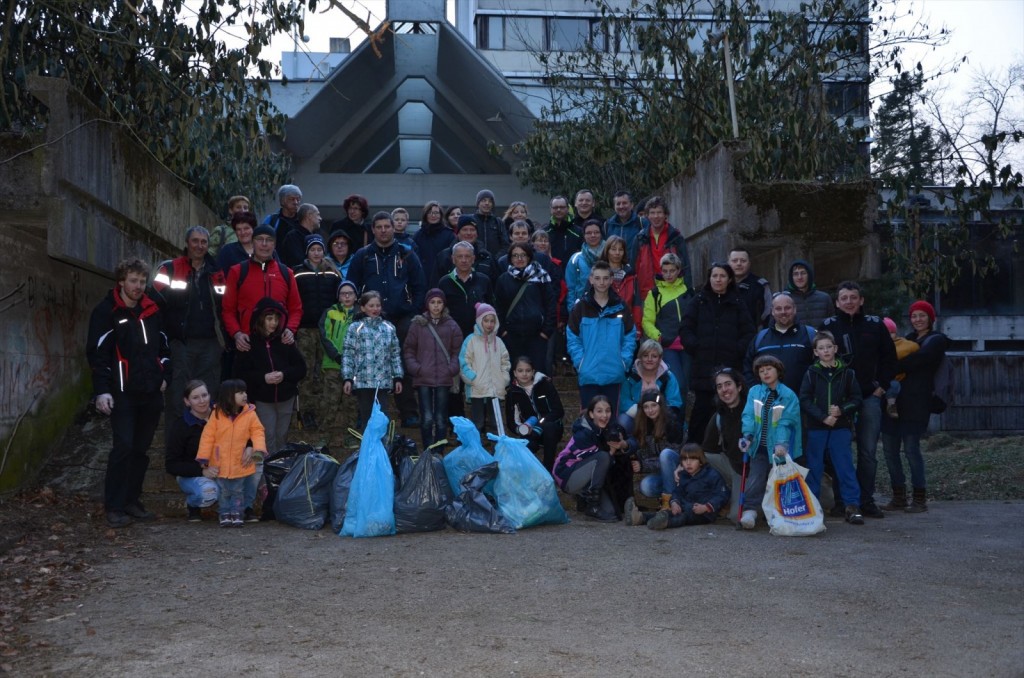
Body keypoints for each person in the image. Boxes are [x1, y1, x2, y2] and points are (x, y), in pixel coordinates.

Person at [86, 257, 171, 528]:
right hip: (121, 392)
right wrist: (102, 391)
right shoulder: (106, 311)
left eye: (141, 281)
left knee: (141, 450)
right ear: (121, 282)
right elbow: (97, 355)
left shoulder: (153, 310)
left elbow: (165, 349)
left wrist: (164, 376)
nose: (137, 286)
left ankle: (132, 501)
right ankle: (114, 505)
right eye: (132, 281)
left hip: (150, 391)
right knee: (122, 447)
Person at [820, 281, 897, 518]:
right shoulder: (828, 325)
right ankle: (843, 500)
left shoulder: (875, 325)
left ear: (861, 300)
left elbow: (890, 359)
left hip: (868, 398)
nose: (849, 302)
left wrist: (881, 387)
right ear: (837, 302)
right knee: (837, 452)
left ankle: (865, 499)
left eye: (853, 297)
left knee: (867, 452)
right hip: (838, 401)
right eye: (844, 298)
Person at [345, 210, 426, 427]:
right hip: (369, 320)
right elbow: (351, 286)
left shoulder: (407, 254)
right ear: (373, 230)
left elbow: (420, 286)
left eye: (387, 226)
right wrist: (359, 312)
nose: (383, 230)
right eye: (379, 227)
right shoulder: (362, 256)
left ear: (394, 228)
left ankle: (408, 411)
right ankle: (365, 413)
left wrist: (413, 310)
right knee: (366, 364)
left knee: (402, 363)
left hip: (402, 317)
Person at [880, 300, 949, 514]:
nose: (918, 319)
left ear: (930, 318)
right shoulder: (907, 340)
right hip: (894, 403)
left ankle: (919, 498)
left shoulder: (937, 340)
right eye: (914, 316)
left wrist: (894, 367)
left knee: (911, 450)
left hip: (917, 403)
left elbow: (921, 360)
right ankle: (898, 496)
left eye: (922, 315)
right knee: (890, 451)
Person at [152, 225, 226, 418]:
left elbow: (224, 305)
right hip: (179, 343)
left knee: (207, 398)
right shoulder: (169, 268)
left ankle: (205, 443)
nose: (199, 246)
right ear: (187, 243)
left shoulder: (217, 272)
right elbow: (153, 302)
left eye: (204, 242)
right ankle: (177, 445)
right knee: (178, 397)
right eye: (195, 241)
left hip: (210, 343)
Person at [681, 262, 756, 443]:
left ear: (729, 279)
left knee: (730, 413)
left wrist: (736, 350)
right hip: (703, 367)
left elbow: (749, 332)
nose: (718, 279)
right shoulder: (698, 301)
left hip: (729, 367)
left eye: (722, 276)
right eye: (714, 276)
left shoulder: (738, 303)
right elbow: (685, 329)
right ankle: (694, 455)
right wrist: (696, 346)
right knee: (700, 415)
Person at [799, 331, 865, 525]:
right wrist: (822, 417)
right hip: (816, 428)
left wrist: (841, 410)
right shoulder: (811, 373)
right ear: (815, 352)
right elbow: (804, 399)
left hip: (840, 428)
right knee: (814, 468)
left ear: (835, 349)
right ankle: (813, 507)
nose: (826, 351)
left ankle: (852, 506)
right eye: (821, 348)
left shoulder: (847, 373)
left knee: (844, 467)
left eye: (829, 347)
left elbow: (857, 399)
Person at [232, 298, 306, 460]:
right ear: (260, 319)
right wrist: (263, 378)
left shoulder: (285, 340)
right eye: (269, 319)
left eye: (276, 319)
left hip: (286, 397)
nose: (274, 323)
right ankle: (269, 469)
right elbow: (241, 374)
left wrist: (284, 375)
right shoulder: (249, 343)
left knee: (282, 435)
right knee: (267, 435)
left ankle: (281, 468)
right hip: (263, 399)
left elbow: (301, 369)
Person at [738, 354, 802, 530]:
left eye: (769, 369)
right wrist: (747, 435)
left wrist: (782, 443)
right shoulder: (754, 392)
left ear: (778, 371)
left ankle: (780, 511)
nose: (765, 373)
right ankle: (750, 510)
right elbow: (749, 415)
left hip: (780, 448)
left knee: (779, 480)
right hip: (759, 445)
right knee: (756, 478)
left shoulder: (788, 395)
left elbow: (787, 421)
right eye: (761, 371)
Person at [221, 223, 303, 354]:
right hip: (248, 343)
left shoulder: (286, 273)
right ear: (252, 243)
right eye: (259, 239)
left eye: (269, 240)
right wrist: (236, 334)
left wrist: (290, 329)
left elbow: (296, 308)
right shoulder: (237, 271)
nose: (264, 244)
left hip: (279, 342)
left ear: (274, 245)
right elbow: (227, 310)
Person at [195, 379, 266, 528]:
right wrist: (204, 459)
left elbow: (258, 432)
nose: (245, 395)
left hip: (240, 463)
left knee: (238, 491)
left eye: (245, 392)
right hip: (220, 462)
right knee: (223, 492)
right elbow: (207, 437)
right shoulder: (216, 415)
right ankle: (224, 513)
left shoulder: (250, 414)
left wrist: (257, 451)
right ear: (229, 396)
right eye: (240, 392)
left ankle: (237, 513)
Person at [567, 261, 637, 412]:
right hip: (589, 374)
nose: (602, 282)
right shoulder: (580, 307)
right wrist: (581, 362)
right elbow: (572, 337)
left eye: (605, 278)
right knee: (589, 422)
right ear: (591, 279)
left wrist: (624, 362)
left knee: (611, 421)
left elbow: (630, 336)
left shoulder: (621, 306)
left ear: (611, 280)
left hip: (614, 373)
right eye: (597, 278)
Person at [552, 395, 631, 522]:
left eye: (608, 411)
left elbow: (633, 442)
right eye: (599, 411)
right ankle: (592, 506)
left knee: (612, 514)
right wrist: (611, 451)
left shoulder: (606, 429)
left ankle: (587, 500)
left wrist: (624, 444)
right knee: (603, 457)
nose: (604, 415)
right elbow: (601, 460)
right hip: (566, 474)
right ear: (591, 414)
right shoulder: (583, 433)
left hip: (586, 476)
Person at [292, 234, 342, 431]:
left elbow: (341, 297)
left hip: (327, 330)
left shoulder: (332, 272)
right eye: (312, 249)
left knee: (323, 372)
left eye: (319, 249)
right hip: (305, 329)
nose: (316, 253)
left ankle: (323, 412)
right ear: (307, 252)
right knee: (305, 371)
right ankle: (307, 412)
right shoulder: (297, 273)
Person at [403, 289, 464, 450]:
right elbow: (409, 349)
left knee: (441, 418)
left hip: (444, 378)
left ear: (444, 304)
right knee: (427, 418)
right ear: (427, 304)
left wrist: (451, 369)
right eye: (432, 302)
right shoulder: (418, 325)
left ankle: (439, 451)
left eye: (439, 302)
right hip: (424, 377)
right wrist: (416, 368)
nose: (436, 306)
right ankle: (428, 450)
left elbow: (458, 351)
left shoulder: (451, 325)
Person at [625, 443, 729, 530]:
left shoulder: (711, 474)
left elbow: (722, 494)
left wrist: (706, 507)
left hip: (703, 513)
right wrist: (674, 502)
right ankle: (639, 517)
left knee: (683, 517)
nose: (688, 463)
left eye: (692, 459)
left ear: (701, 461)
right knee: (668, 512)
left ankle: (665, 523)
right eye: (685, 460)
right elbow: (677, 492)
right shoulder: (684, 475)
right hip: (685, 507)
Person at [342, 291, 403, 429]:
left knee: (382, 418)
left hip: (383, 381)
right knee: (366, 418)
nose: (375, 309)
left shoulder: (389, 328)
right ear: (363, 307)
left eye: (378, 305)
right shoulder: (354, 328)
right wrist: (348, 378)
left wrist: (397, 377)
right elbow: (348, 354)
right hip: (363, 382)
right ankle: (367, 448)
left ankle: (382, 448)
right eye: (371, 305)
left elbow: (395, 354)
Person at [641, 253, 694, 412]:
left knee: (686, 384)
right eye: (665, 271)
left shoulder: (688, 290)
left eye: (672, 270)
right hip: (668, 346)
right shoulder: (655, 293)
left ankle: (680, 419)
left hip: (688, 345)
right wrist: (659, 337)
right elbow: (647, 321)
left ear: (678, 270)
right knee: (677, 382)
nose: (669, 274)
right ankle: (674, 419)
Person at [495, 242, 556, 374]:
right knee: (513, 375)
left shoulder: (541, 277)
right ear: (510, 258)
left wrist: (546, 332)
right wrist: (503, 332)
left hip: (537, 336)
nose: (519, 258)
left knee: (538, 375)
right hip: (511, 337)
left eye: (523, 255)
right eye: (515, 255)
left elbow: (551, 304)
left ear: (529, 257)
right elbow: (498, 307)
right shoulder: (503, 280)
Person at [164, 380, 220, 522]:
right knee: (209, 493)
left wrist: (250, 446)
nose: (202, 401)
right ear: (187, 402)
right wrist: (202, 471)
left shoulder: (222, 416)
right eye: (195, 398)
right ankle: (192, 503)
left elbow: (245, 430)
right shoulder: (181, 426)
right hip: (192, 474)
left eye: (204, 395)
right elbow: (171, 464)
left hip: (224, 469)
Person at [743, 291, 816, 393]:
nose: (783, 312)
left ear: (795, 309)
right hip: (768, 403)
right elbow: (748, 368)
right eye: (778, 309)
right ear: (772, 311)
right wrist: (757, 391)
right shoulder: (760, 338)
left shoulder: (810, 334)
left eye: (787, 308)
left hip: (803, 402)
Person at [701, 367, 748, 523]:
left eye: (728, 384)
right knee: (699, 459)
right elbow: (706, 450)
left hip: (753, 470)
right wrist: (683, 463)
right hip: (733, 467)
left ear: (739, 386)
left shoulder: (753, 411)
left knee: (736, 517)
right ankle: (723, 493)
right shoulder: (719, 416)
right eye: (719, 386)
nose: (724, 390)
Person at [628, 389, 685, 510]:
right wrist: (637, 459)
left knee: (665, 454)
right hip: (661, 474)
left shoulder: (672, 424)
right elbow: (644, 455)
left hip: (679, 472)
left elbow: (670, 459)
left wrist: (643, 465)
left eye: (654, 405)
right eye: (646, 407)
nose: (650, 410)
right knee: (646, 486)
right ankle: (672, 497)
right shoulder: (643, 426)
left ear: (660, 406)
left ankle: (669, 502)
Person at [319, 281, 360, 450]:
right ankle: (323, 436)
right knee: (330, 402)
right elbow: (324, 336)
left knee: (350, 404)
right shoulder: (330, 313)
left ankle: (350, 437)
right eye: (343, 293)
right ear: (338, 296)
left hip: (354, 367)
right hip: (332, 364)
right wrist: (336, 355)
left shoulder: (361, 315)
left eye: (350, 293)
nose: (347, 296)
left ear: (356, 296)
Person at [459, 303, 510, 433]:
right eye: (486, 320)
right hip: (477, 389)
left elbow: (505, 361)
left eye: (492, 321)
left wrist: (504, 379)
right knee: (478, 423)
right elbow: (464, 362)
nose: (489, 324)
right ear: (479, 321)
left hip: (495, 389)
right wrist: (472, 378)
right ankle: (477, 451)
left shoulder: (498, 342)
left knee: (496, 423)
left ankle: (497, 450)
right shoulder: (470, 340)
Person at [506, 356, 565, 471]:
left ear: (533, 372)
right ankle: (530, 476)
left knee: (549, 428)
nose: (524, 374)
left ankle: (548, 469)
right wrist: (521, 429)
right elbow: (511, 422)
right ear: (514, 373)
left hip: (550, 429)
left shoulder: (545, 385)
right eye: (520, 371)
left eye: (528, 370)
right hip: (530, 432)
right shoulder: (512, 393)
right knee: (526, 447)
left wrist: (540, 425)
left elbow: (558, 411)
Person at [632, 196, 692, 303]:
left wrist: (688, 292)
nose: (656, 216)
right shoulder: (639, 239)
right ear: (647, 216)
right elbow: (633, 269)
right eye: (652, 213)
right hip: (647, 293)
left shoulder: (676, 237)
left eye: (659, 212)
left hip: (673, 292)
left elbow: (686, 266)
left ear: (665, 215)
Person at [619, 340, 684, 428]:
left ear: (660, 358)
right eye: (645, 356)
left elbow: (674, 402)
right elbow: (624, 402)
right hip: (636, 417)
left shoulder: (668, 377)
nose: (649, 359)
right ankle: (630, 441)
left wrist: (657, 413)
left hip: (661, 417)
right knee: (623, 421)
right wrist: (643, 413)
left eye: (654, 356)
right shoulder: (630, 377)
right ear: (640, 357)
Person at [434, 215, 500, 284]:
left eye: (472, 230)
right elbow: (435, 288)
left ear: (477, 234)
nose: (469, 233)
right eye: (465, 229)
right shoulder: (444, 256)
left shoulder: (487, 257)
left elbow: (496, 287)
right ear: (458, 233)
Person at [599, 235, 640, 330]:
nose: (617, 253)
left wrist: (637, 327)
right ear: (607, 251)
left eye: (620, 250)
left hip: (626, 324)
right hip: (603, 324)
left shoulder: (631, 274)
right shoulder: (598, 272)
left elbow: (637, 304)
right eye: (613, 249)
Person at [882, 316, 919, 419]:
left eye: (891, 333)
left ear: (895, 333)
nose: (888, 336)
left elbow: (912, 347)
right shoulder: (877, 345)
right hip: (880, 380)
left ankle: (891, 405)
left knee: (894, 385)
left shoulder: (903, 344)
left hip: (895, 379)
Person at [565, 219, 605, 312]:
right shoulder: (575, 259)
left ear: (601, 234)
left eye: (596, 232)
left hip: (606, 304)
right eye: (589, 233)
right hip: (582, 306)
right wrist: (572, 309)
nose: (593, 235)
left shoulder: (610, 254)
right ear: (584, 235)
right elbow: (570, 287)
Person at [728, 248, 772, 328]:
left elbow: (768, 314)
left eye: (743, 261)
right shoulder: (720, 284)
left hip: (753, 336)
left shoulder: (760, 286)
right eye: (734, 261)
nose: (739, 264)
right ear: (728, 263)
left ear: (749, 263)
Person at [786, 260, 832, 329]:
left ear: (809, 275)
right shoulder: (785, 300)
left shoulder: (825, 298)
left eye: (803, 273)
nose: (799, 277)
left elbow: (832, 326)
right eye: (795, 274)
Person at [604, 190, 646, 262]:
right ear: (614, 206)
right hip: (614, 269)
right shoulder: (607, 225)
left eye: (624, 203)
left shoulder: (642, 223)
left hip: (636, 269)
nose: (621, 206)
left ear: (631, 205)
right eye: (618, 204)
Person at [280, 203, 324, 269]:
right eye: (317, 215)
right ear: (309, 215)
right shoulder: (292, 237)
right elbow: (297, 261)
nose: (320, 218)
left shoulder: (318, 236)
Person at [413, 200, 455, 269]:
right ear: (425, 215)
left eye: (436, 213)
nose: (433, 215)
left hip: (443, 274)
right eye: (430, 213)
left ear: (441, 215)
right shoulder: (418, 235)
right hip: (423, 275)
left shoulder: (449, 235)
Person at [546, 195, 583, 274]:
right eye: (555, 207)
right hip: (551, 275)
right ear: (550, 209)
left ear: (567, 208)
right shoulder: (545, 232)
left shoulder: (578, 231)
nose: (558, 210)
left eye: (562, 207)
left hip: (573, 275)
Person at [472, 189, 508, 257]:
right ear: (478, 203)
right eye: (484, 200)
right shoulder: (471, 220)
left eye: (490, 201)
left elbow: (505, 244)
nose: (487, 203)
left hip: (495, 262)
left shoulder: (498, 222)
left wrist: (496, 258)